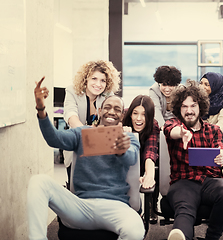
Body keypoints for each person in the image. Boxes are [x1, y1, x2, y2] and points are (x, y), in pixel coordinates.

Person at [28, 77, 144, 240]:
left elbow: (131, 157)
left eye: (117, 109)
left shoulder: (128, 138)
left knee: (136, 230)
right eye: (108, 107)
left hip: (115, 207)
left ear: (122, 116)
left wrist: (122, 150)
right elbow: (53, 139)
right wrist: (41, 109)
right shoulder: (82, 133)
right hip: (81, 206)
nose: (112, 111)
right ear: (99, 111)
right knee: (38, 182)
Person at [163, 80, 223, 240]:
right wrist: (181, 133)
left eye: (193, 106)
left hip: (210, 180)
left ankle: (212, 237)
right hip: (183, 181)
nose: (189, 111)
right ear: (178, 108)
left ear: (200, 107)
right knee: (185, 210)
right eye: (184, 106)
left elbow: (220, 146)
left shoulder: (214, 130)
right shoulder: (174, 125)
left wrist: (222, 154)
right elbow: (170, 131)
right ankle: (180, 236)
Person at [63, 60, 120, 184]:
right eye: (94, 78)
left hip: (99, 150)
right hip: (76, 148)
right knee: (76, 189)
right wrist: (89, 133)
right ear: (86, 79)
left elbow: (114, 118)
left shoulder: (108, 96)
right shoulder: (72, 91)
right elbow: (71, 116)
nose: (98, 84)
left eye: (103, 80)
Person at [122, 95, 160, 223]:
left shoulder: (153, 125)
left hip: (143, 159)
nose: (139, 118)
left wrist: (149, 175)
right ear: (130, 113)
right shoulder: (123, 119)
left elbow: (150, 151)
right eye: (135, 113)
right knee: (133, 206)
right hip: (124, 161)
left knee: (155, 167)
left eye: (144, 114)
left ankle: (152, 203)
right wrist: (124, 135)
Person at [199, 72, 223, 192]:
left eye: (207, 84)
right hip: (198, 137)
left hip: (216, 136)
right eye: (201, 83)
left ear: (215, 86)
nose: (202, 87)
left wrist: (210, 131)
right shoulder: (196, 99)